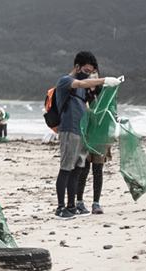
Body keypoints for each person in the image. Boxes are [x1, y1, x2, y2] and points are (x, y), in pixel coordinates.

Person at [52, 51, 123, 220]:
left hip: (82, 131)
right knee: (66, 168)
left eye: (91, 71)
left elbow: (95, 106)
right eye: (86, 70)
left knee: (77, 168)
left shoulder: (85, 89)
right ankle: (61, 207)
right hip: (69, 128)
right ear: (77, 67)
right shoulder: (66, 81)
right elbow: (80, 84)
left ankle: (72, 205)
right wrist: (104, 80)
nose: (89, 74)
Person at [76, 145, 111, 215]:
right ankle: (79, 201)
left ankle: (96, 203)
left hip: (101, 141)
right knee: (83, 171)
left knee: (98, 171)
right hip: (85, 140)